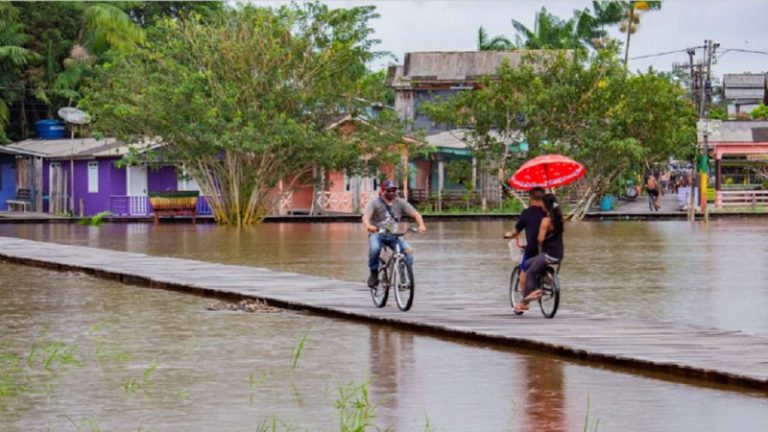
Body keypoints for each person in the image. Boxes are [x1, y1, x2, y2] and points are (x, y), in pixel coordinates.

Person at [362, 179, 427, 287]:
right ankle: (373, 272)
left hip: (394, 235)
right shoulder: (374, 203)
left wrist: (421, 225)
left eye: (393, 190)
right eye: (389, 190)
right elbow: (365, 217)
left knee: (409, 252)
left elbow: (416, 214)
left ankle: (402, 277)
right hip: (377, 234)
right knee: (375, 248)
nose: (392, 193)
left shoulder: (400, 202)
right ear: (382, 191)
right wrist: (369, 226)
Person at [514, 193, 564, 313]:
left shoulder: (546, 221)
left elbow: (540, 239)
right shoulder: (560, 219)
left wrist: (534, 240)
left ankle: (525, 302)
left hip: (547, 254)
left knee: (530, 271)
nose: (540, 204)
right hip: (559, 254)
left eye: (542, 202)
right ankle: (546, 279)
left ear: (545, 205)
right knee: (527, 264)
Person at [504, 187, 546, 297]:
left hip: (533, 248)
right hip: (550, 249)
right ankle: (549, 281)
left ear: (530, 198)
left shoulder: (527, 213)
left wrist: (509, 235)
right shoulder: (549, 213)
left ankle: (524, 299)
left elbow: (516, 231)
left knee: (524, 271)